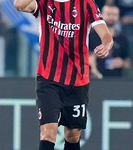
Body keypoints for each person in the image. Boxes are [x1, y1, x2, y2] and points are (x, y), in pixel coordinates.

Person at [14, 0, 113, 150]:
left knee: (73, 135)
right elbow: (19, 5)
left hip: (77, 80)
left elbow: (106, 34)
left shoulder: (86, 3)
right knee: (48, 133)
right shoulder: (42, 2)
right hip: (48, 78)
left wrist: (106, 44)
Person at [89, 5, 130, 78]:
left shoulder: (122, 38)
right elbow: (85, 56)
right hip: (95, 79)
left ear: (118, 17)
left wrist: (122, 63)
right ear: (101, 15)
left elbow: (127, 62)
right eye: (108, 14)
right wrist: (95, 55)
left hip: (116, 81)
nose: (111, 17)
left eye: (114, 15)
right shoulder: (91, 36)